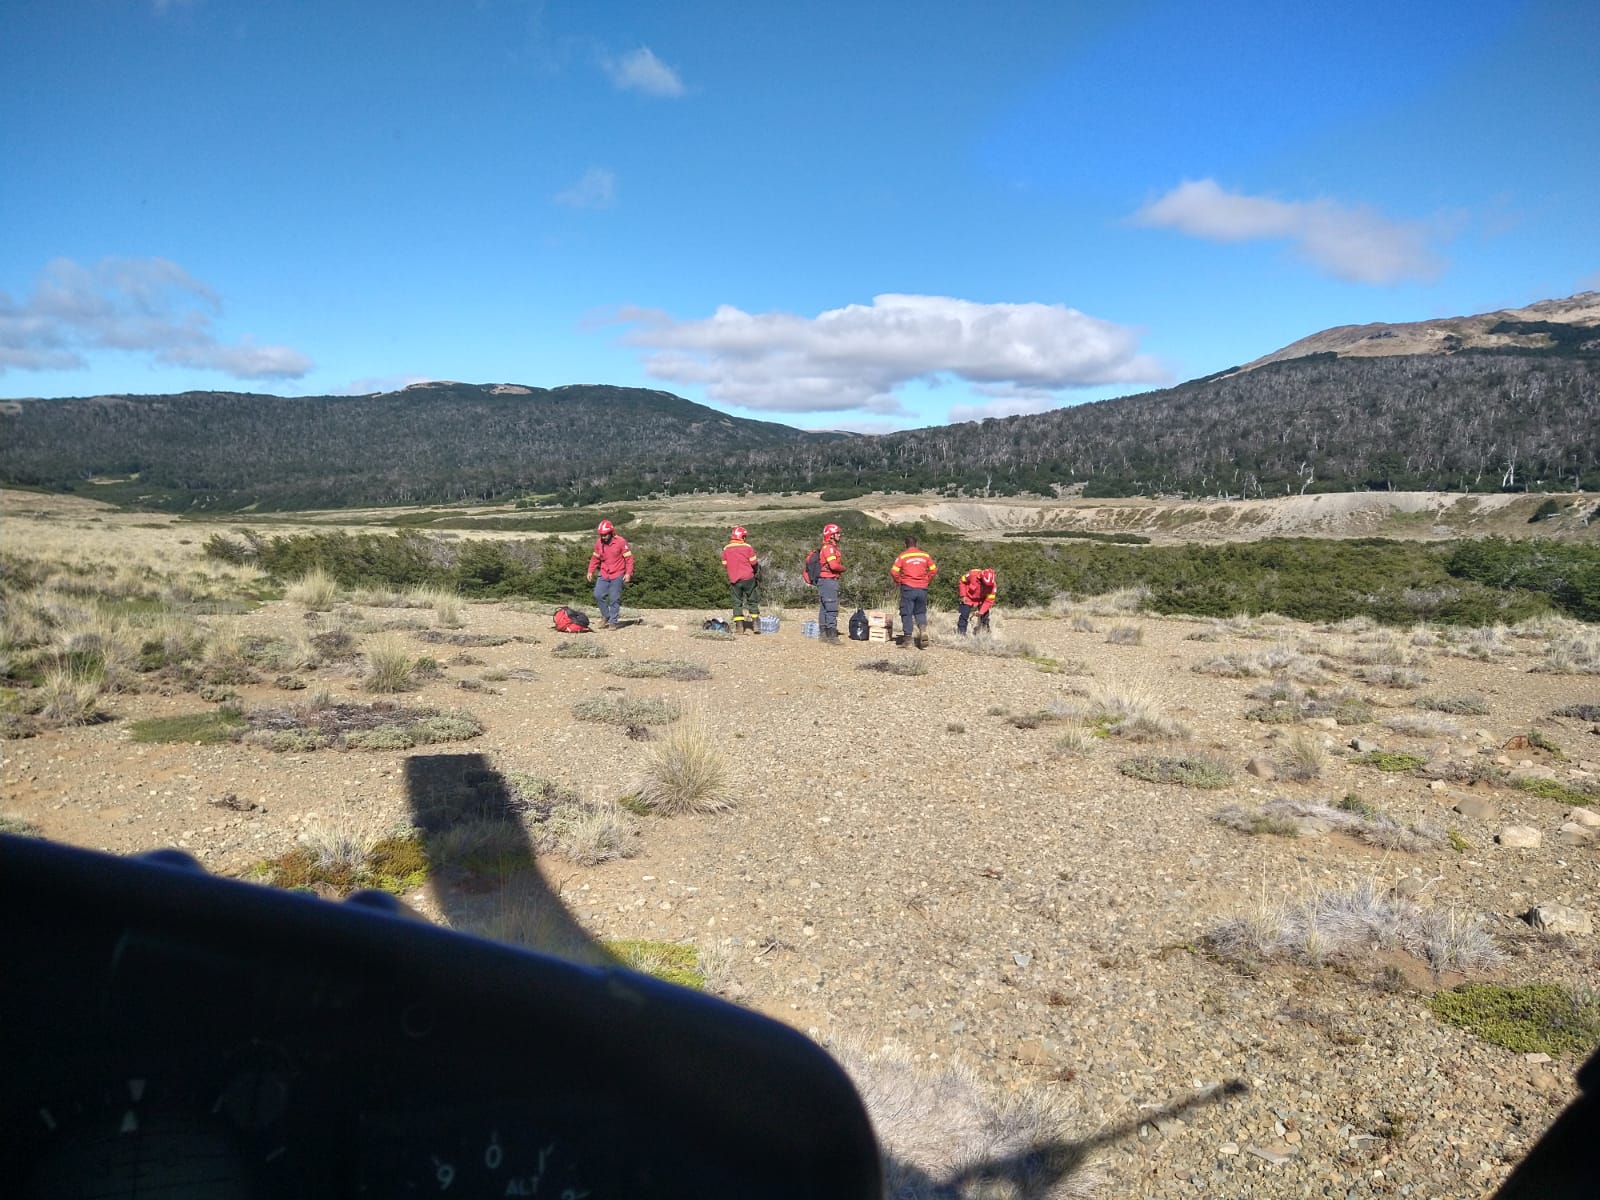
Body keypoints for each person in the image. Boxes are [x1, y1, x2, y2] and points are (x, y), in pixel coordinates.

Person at [889, 535, 939, 649]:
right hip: (922, 588)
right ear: (917, 544)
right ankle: (922, 629)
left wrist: (899, 581)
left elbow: (894, 571)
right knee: (920, 611)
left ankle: (907, 639)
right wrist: (927, 580)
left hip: (908, 587)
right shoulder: (925, 555)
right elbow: (934, 569)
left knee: (906, 612)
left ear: (905, 544)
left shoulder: (903, 556)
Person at [585, 519, 633, 629]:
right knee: (598, 594)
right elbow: (595, 558)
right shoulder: (599, 543)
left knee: (614, 599)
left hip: (618, 573)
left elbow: (629, 559)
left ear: (611, 532)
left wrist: (628, 573)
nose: (603, 537)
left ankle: (613, 621)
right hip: (604, 573)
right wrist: (590, 570)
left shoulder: (621, 542)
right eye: (601, 535)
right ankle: (606, 616)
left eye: (605, 535)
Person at [721, 526, 762, 635]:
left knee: (737, 602)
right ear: (742, 536)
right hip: (748, 578)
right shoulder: (747, 547)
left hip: (734, 580)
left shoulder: (726, 548)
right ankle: (756, 625)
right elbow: (754, 563)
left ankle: (740, 627)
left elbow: (724, 564)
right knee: (752, 600)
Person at [815, 522, 845, 642]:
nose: (839, 535)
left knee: (824, 607)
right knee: (831, 607)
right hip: (828, 581)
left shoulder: (827, 548)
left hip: (825, 581)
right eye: (837, 533)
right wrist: (843, 568)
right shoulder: (829, 548)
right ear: (831, 535)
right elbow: (833, 565)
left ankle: (823, 634)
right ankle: (832, 635)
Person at [956, 567, 997, 635]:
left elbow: (989, 601)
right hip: (968, 598)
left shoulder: (993, 586)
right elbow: (962, 581)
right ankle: (961, 635)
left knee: (985, 618)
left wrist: (981, 612)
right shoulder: (972, 574)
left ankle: (985, 634)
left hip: (982, 600)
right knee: (964, 616)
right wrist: (963, 595)